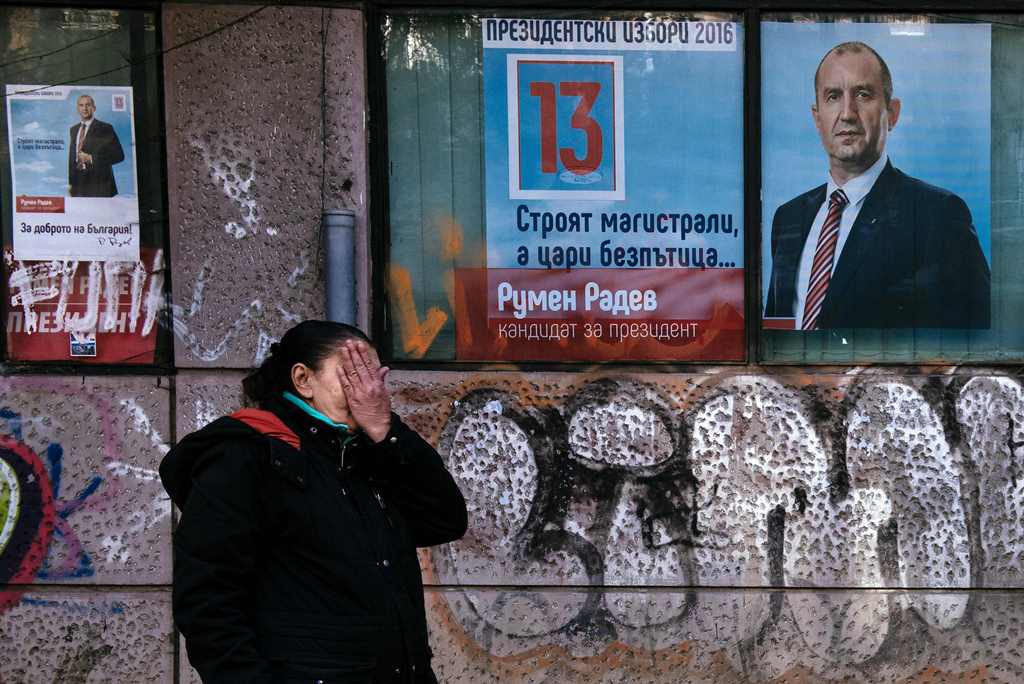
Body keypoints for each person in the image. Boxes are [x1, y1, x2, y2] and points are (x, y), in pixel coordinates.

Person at [159, 321, 468, 683]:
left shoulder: (368, 452)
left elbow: (445, 518)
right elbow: (208, 603)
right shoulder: (247, 455)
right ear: (304, 380)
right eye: (352, 375)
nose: (368, 391)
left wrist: (388, 433)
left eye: (375, 378)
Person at [764, 41, 990, 329]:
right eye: (833, 96)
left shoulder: (938, 216)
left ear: (892, 113)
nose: (847, 113)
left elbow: (971, 344)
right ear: (817, 117)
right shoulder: (788, 218)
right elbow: (776, 330)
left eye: (863, 94)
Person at [68, 94, 125, 197]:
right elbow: (72, 159)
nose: (84, 108)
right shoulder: (73, 130)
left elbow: (119, 155)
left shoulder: (105, 128)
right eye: (81, 105)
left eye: (88, 105)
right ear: (77, 108)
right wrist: (71, 184)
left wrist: (91, 158)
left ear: (94, 108)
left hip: (100, 186)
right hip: (79, 186)